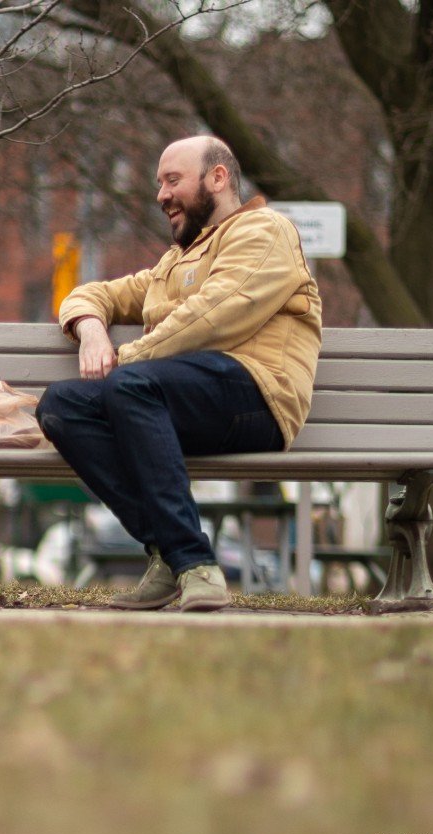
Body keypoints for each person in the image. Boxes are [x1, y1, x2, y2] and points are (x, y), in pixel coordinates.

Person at [36, 136, 322, 613]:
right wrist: (90, 331)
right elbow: (94, 293)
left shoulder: (264, 230)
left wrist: (124, 361)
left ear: (218, 178)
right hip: (179, 400)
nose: (160, 195)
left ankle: (195, 565)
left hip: (258, 397)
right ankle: (170, 553)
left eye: (173, 180)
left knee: (132, 385)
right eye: (158, 184)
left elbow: (215, 316)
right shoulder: (174, 263)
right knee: (62, 407)